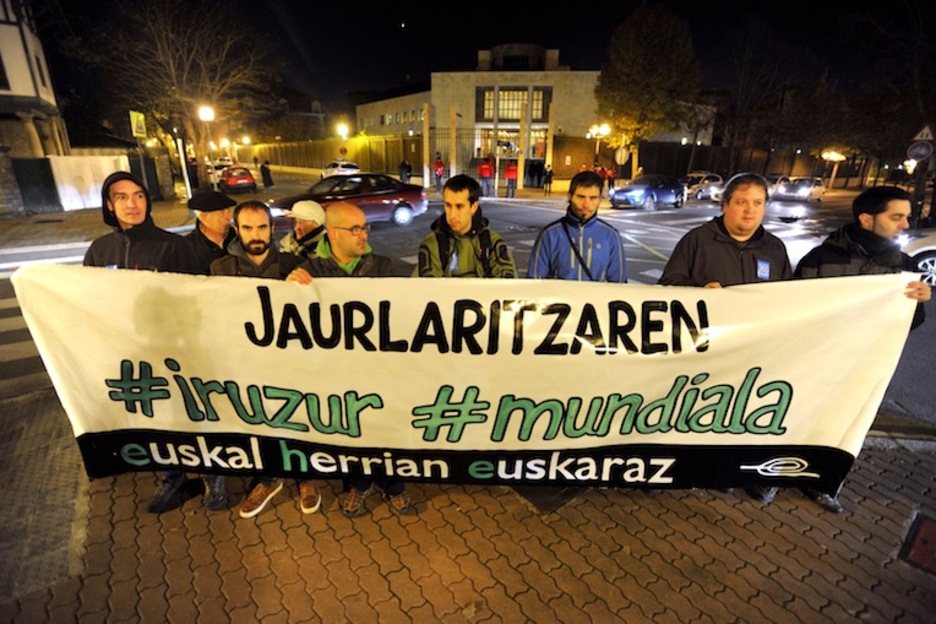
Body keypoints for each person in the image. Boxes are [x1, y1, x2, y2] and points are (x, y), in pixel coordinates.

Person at [794, 186, 931, 513]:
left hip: (862, 367)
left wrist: (920, 302)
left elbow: (908, 323)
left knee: (843, 426)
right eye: (896, 217)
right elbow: (793, 308)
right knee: (799, 417)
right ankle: (772, 475)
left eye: (907, 217)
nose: (905, 225)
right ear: (866, 219)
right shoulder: (822, 258)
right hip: (816, 362)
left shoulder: (905, 267)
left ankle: (824, 483)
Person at [659, 172, 791, 505]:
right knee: (697, 412)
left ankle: (733, 473)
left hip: (754, 354)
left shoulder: (774, 249)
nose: (750, 210)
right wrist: (699, 292)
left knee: (743, 415)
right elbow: (666, 288)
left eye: (758, 203)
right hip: (706, 352)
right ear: (725, 205)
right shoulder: (697, 241)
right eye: (742, 202)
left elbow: (793, 299)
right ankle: (681, 469)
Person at [84, 171, 201, 514]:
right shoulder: (98, 250)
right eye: (121, 197)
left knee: (186, 413)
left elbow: (199, 300)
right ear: (109, 204)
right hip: (126, 355)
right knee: (150, 418)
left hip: (172, 352)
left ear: (147, 201)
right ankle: (173, 475)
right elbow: (87, 302)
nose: (131, 204)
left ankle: (210, 469)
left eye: (138, 195)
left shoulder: (174, 246)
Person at [209, 200, 322, 519]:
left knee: (298, 419)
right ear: (237, 230)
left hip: (291, 366)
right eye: (248, 228)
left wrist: (302, 289)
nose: (255, 234)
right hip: (248, 366)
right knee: (260, 423)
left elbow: (317, 315)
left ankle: (305, 477)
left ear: (272, 229)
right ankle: (267, 479)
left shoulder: (295, 265)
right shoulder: (220, 270)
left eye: (262, 227)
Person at [299, 202, 408, 516]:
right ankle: (358, 484)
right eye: (355, 229)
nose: (363, 235)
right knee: (352, 429)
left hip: (381, 370)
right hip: (339, 374)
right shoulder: (311, 272)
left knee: (385, 425)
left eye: (365, 228)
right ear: (333, 234)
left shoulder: (383, 266)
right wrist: (289, 289)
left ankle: (393, 483)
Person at [528, 170, 626, 282]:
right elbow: (534, 281)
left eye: (593, 198)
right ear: (570, 196)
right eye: (581, 197)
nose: (586, 204)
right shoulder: (550, 234)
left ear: (600, 199)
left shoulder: (611, 236)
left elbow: (619, 284)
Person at [415, 174, 517, 278]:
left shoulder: (491, 243)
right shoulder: (432, 245)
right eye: (448, 205)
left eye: (459, 206)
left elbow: (507, 288)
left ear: (474, 207)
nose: (452, 214)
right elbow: (430, 290)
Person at [186, 190, 237, 275]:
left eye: (229, 212)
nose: (228, 217)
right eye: (222, 213)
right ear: (204, 217)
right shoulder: (188, 248)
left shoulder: (238, 238)